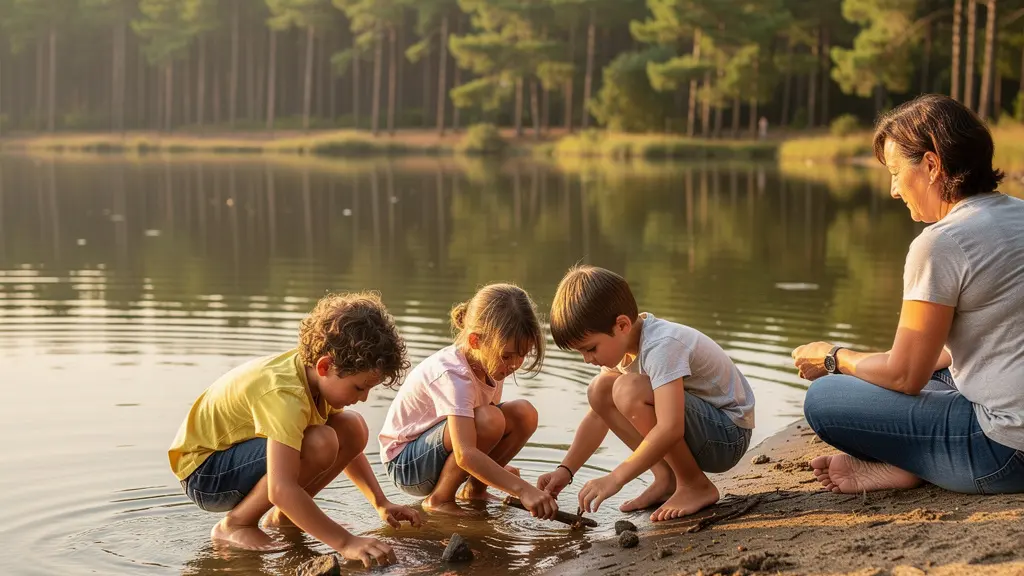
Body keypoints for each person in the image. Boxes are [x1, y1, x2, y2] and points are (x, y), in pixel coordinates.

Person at [793, 94, 1024, 495]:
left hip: (1006, 453)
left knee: (825, 397)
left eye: (897, 172)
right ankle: (914, 461)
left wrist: (834, 356)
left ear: (932, 165)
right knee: (931, 369)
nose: (893, 190)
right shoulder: (1018, 213)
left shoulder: (942, 242)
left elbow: (905, 375)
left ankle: (914, 462)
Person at [168, 292, 421, 568]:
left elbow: (350, 448)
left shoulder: (317, 382)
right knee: (320, 441)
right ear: (325, 366)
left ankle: (284, 519)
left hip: (234, 459)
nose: (363, 398)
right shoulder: (285, 394)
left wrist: (380, 502)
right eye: (359, 387)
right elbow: (280, 488)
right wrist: (346, 542)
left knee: (353, 427)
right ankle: (236, 525)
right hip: (205, 473)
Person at [537, 265, 755, 522]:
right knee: (600, 390)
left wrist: (615, 478)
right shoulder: (622, 346)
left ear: (621, 325)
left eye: (591, 349)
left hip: (728, 435)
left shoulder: (662, 346)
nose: (587, 360)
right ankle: (666, 478)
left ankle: (694, 484)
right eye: (582, 353)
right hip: (704, 430)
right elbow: (598, 417)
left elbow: (671, 427)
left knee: (627, 390)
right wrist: (566, 469)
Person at [378, 284, 557, 520]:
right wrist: (523, 489)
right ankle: (439, 499)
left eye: (522, 354)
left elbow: (483, 436)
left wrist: (498, 472)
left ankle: (474, 491)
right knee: (489, 419)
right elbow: (465, 454)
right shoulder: (454, 374)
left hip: (441, 448)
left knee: (524, 413)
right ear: (475, 341)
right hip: (406, 464)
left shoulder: (491, 363)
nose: (515, 364)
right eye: (507, 355)